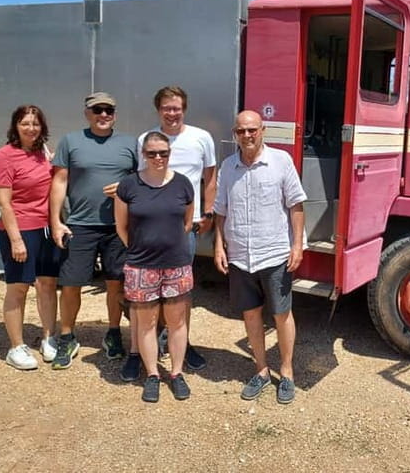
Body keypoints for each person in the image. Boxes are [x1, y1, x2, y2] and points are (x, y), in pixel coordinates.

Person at [121, 86, 216, 381]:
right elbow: (138, 182)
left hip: (183, 227)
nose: (172, 113)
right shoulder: (146, 140)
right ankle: (137, 352)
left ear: (184, 109)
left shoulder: (201, 138)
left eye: (176, 108)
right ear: (158, 110)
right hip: (147, 229)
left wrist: (208, 213)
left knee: (180, 295)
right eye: (166, 108)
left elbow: (210, 178)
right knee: (142, 298)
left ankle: (181, 346)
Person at [213, 110, 306, 405]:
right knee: (251, 315)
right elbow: (220, 210)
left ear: (263, 130)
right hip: (240, 255)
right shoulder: (228, 167)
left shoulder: (281, 161)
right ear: (234, 133)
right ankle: (262, 371)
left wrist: (297, 246)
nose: (247, 136)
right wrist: (218, 244)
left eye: (252, 130)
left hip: (275, 252)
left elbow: (296, 205)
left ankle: (287, 372)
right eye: (241, 131)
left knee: (281, 314)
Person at [49, 92, 138, 370]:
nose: (103, 115)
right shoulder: (71, 141)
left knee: (115, 282)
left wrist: (125, 190)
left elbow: (140, 181)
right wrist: (55, 220)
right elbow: (59, 181)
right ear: (87, 113)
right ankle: (66, 335)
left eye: (108, 110)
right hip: (80, 224)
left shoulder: (130, 143)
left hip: (117, 227)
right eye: (97, 110)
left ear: (115, 113)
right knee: (72, 282)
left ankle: (112, 333)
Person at [115, 131, 195, 402]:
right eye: (152, 153)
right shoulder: (128, 186)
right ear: (143, 155)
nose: (158, 158)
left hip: (176, 264)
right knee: (146, 323)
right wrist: (140, 248)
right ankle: (152, 375)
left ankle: (176, 372)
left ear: (170, 153)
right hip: (141, 265)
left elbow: (186, 223)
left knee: (177, 321)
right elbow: (121, 227)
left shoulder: (183, 184)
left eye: (163, 152)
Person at [0, 105, 60, 370]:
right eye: (25, 123)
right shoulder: (4, 157)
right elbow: (4, 203)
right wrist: (16, 239)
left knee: (47, 284)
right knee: (18, 287)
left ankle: (48, 337)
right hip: (19, 229)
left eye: (35, 123)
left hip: (45, 228)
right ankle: (15, 347)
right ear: (15, 126)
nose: (31, 128)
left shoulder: (42, 153)